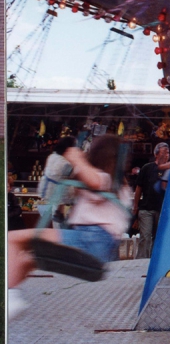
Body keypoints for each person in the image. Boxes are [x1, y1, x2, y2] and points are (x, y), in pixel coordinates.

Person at [7, 135, 132, 320]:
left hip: (90, 241)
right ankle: (11, 296)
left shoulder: (105, 180)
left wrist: (77, 158)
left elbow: (95, 181)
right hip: (98, 249)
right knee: (29, 257)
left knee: (11, 238)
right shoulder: (121, 188)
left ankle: (11, 297)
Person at [133, 142, 170, 259]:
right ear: (156, 154)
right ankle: (140, 264)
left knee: (159, 237)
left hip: (162, 209)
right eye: (163, 152)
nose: (166, 155)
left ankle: (154, 262)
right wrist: (135, 206)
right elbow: (139, 188)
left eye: (168, 152)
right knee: (145, 236)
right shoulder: (147, 168)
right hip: (146, 209)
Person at [37, 136, 77, 228]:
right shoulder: (66, 163)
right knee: (60, 223)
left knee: (57, 219)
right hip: (59, 194)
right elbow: (74, 176)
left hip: (48, 191)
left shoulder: (52, 156)